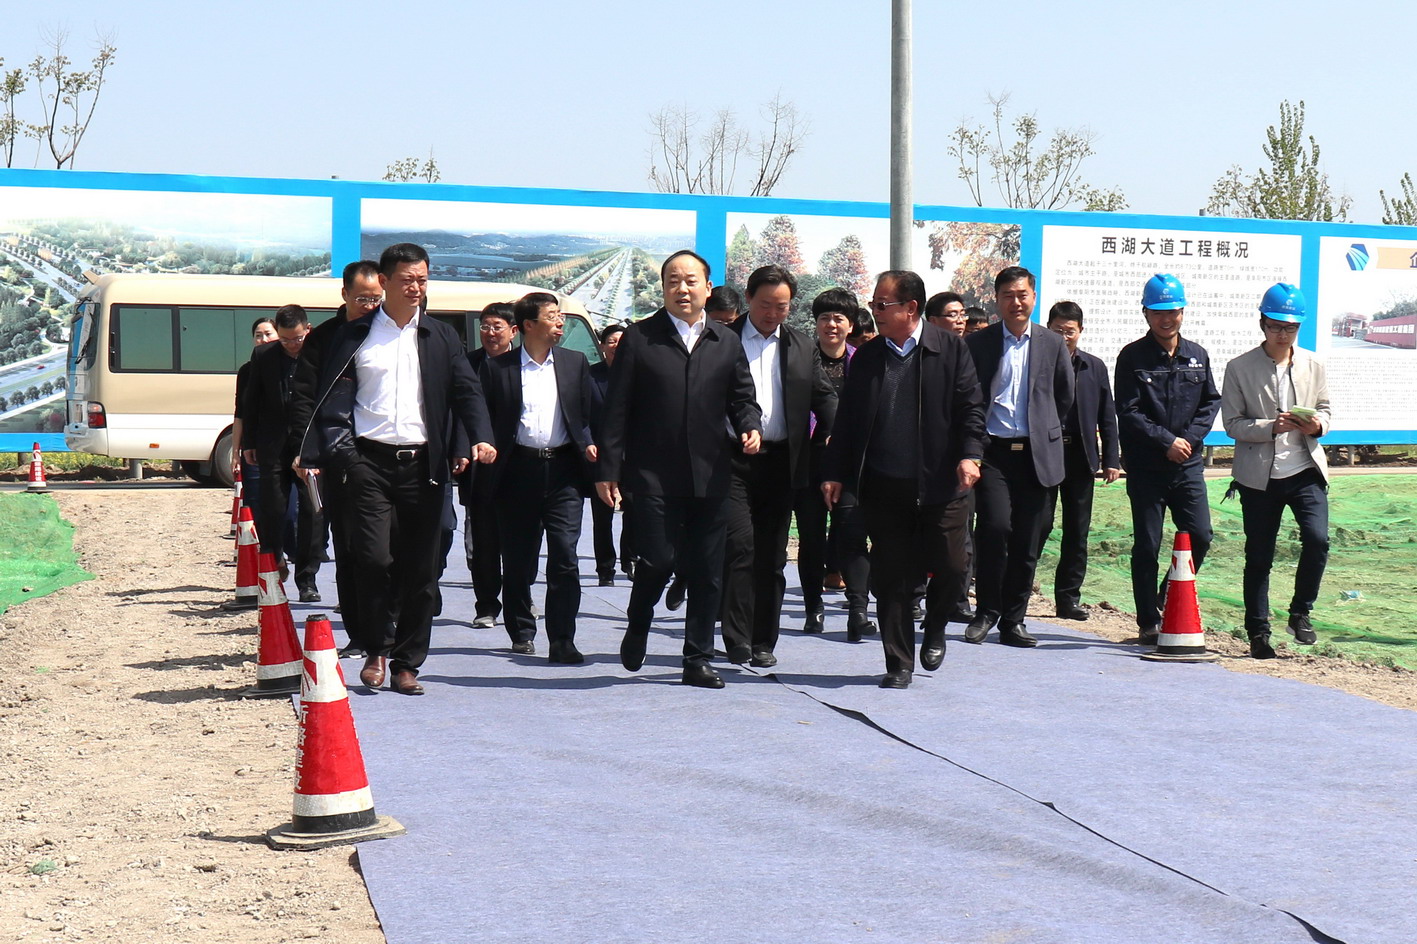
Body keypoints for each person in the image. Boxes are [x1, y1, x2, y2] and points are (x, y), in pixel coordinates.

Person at [294, 243, 496, 696]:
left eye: (422, 279)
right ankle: (376, 647)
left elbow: (466, 391)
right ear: (384, 282)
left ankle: (407, 663)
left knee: (421, 569)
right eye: (407, 279)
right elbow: (323, 397)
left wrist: (480, 436)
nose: (416, 287)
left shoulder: (441, 336)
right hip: (366, 462)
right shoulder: (354, 335)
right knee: (372, 559)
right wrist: (333, 454)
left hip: (424, 465)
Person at [597, 249, 762, 690]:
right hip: (652, 473)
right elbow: (616, 409)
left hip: (712, 472)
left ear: (708, 287)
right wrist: (608, 469)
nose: (682, 289)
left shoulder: (725, 340)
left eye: (691, 281)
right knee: (658, 560)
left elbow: (742, 397)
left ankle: (697, 659)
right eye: (673, 281)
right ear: (663, 289)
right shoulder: (641, 338)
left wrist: (750, 425)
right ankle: (639, 621)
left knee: (708, 569)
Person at [823, 270, 985, 689]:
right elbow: (847, 421)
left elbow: (970, 408)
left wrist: (970, 455)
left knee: (953, 566)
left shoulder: (950, 349)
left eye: (882, 304)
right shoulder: (868, 357)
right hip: (885, 484)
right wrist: (836, 473)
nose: (874, 312)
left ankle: (935, 626)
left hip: (942, 483)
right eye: (874, 304)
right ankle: (898, 662)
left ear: (911, 308)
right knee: (891, 575)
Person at [720, 265, 837, 667]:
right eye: (765, 304)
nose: (773, 313)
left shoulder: (801, 346)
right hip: (730, 460)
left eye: (782, 306)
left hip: (781, 463)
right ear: (748, 299)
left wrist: (836, 432)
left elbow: (824, 396)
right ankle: (736, 636)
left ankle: (762, 641)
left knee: (771, 556)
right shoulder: (722, 339)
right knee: (739, 547)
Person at [479, 292, 596, 664]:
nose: (560, 322)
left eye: (561, 315)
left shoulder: (575, 363)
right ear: (529, 325)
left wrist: (591, 445)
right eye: (552, 316)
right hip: (517, 471)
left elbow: (589, 414)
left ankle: (562, 639)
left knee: (565, 556)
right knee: (519, 560)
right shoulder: (498, 369)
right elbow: (482, 416)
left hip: (564, 473)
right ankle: (521, 630)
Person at [963, 267, 1074, 648]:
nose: (1016, 302)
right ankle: (986, 612)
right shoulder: (979, 344)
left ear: (1034, 297)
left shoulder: (1051, 343)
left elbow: (1064, 396)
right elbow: (969, 397)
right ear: (996, 299)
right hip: (993, 453)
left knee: (1028, 540)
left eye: (1022, 294)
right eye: (1008, 295)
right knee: (994, 529)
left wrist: (1044, 431)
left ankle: (1014, 620)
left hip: (1036, 455)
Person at [1221, 283, 1331, 659]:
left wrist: (1317, 425)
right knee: (1259, 556)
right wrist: (1271, 427)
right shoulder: (1240, 368)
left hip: (1305, 469)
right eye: (1275, 326)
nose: (1282, 334)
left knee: (1317, 539)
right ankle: (1258, 632)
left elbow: (1326, 408)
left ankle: (1300, 613)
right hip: (1258, 477)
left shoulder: (1313, 364)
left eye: (1290, 327)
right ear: (1262, 323)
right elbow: (1232, 424)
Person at [1114, 273, 1221, 645]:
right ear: (1145, 313)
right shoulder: (1132, 357)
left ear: (1183, 311)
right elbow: (1128, 411)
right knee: (1147, 544)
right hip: (1147, 468)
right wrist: (1165, 442)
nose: (1166, 319)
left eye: (1173, 311)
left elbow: (1210, 403)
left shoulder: (1197, 355)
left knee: (1201, 535)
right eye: (1158, 312)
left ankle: (1165, 596)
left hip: (1187, 465)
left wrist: (1187, 441)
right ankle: (1148, 620)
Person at [286, 261, 383, 652]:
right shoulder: (325, 338)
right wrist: (306, 450)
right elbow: (304, 398)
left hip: (387, 451)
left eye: (376, 299)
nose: (371, 307)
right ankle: (359, 633)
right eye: (363, 299)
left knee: (386, 549)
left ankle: (387, 625)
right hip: (340, 455)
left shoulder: (391, 332)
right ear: (344, 295)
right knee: (349, 545)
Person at [793, 288, 874, 640]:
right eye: (824, 318)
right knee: (811, 537)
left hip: (849, 463)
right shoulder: (799, 360)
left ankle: (858, 610)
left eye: (839, 318)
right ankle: (814, 606)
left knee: (852, 533)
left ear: (850, 325)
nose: (831, 324)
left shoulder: (864, 363)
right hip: (809, 460)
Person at [1040, 301, 1121, 620]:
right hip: (1044, 454)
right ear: (1048, 329)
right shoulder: (1037, 362)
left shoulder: (1094, 366)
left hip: (1080, 456)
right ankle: (1017, 590)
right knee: (1038, 525)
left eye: (1069, 331)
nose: (1063, 337)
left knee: (1077, 531)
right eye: (1057, 330)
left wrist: (1111, 458)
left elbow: (1107, 414)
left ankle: (1068, 599)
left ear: (1080, 331)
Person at [241, 304, 323, 601]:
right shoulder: (264, 356)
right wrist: (249, 441)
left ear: (307, 329)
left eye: (297, 338)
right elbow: (252, 401)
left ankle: (307, 579)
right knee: (273, 508)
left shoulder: (319, 353)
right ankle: (273, 562)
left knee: (312, 512)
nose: (291, 345)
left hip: (310, 444)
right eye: (285, 339)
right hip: (272, 444)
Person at [463, 303, 518, 628]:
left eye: (497, 327)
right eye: (485, 326)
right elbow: (456, 413)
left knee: (519, 542)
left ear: (513, 331)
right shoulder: (467, 364)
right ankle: (486, 605)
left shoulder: (524, 365)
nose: (490, 333)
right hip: (479, 468)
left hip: (518, 466)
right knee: (483, 542)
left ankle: (519, 598)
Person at [588, 323, 628, 586]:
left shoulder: (639, 374)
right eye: (611, 341)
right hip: (600, 455)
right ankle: (605, 568)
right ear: (602, 346)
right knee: (602, 515)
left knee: (634, 510)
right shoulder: (590, 376)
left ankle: (631, 559)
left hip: (632, 455)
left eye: (621, 341)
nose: (616, 345)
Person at [232, 317, 279, 525]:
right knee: (255, 505)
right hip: (253, 449)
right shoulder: (246, 371)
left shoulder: (287, 366)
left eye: (268, 334)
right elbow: (240, 414)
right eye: (258, 335)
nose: (263, 339)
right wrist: (236, 453)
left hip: (278, 447)